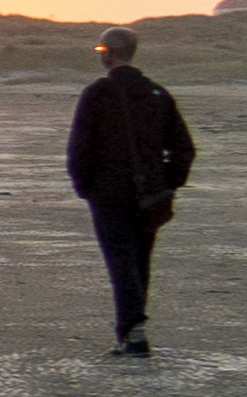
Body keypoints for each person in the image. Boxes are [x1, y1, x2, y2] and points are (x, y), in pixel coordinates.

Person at [64, 26, 196, 357]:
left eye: (100, 50)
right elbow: (184, 149)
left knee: (121, 262)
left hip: (108, 194)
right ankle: (132, 331)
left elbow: (79, 148)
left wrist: (84, 186)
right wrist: (167, 183)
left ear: (108, 52)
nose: (101, 55)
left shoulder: (97, 94)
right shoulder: (157, 94)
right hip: (149, 194)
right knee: (138, 261)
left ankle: (133, 333)